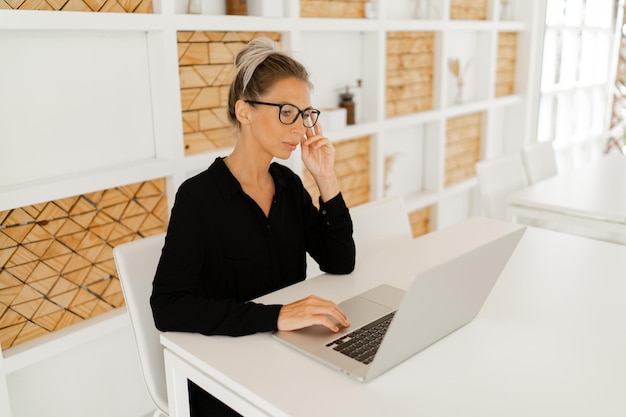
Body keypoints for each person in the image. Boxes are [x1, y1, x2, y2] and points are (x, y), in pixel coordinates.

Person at [150, 37, 356, 416]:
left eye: (306, 114)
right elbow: (167, 307)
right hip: (229, 377)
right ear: (244, 111)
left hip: (291, 356)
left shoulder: (288, 185)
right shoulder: (199, 199)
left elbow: (340, 261)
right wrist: (277, 316)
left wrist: (325, 179)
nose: (300, 128)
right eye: (287, 112)